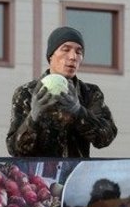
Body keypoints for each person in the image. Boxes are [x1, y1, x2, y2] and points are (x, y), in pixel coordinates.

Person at [6, 26, 117, 158]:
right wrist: (33, 118)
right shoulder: (26, 93)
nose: (73, 57)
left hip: (76, 171)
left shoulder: (90, 93)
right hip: (38, 171)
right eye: (66, 49)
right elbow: (15, 150)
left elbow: (105, 138)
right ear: (51, 56)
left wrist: (79, 112)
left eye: (79, 52)